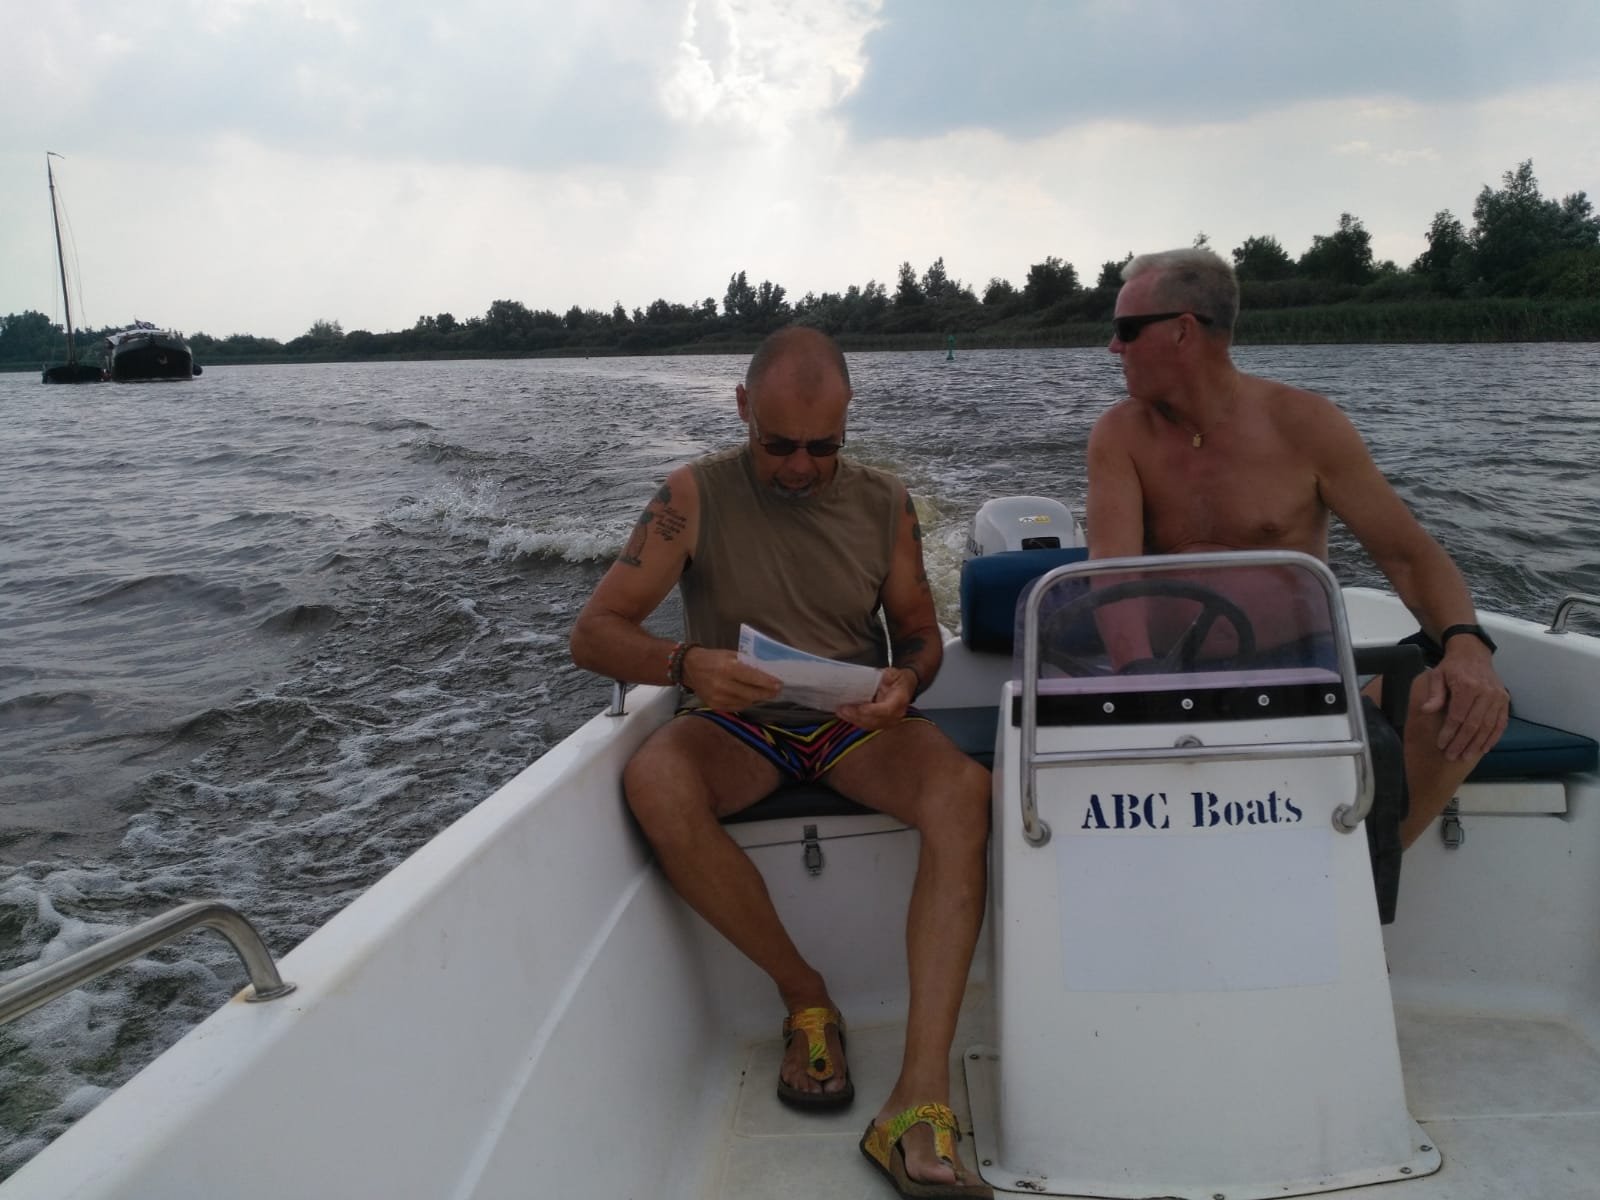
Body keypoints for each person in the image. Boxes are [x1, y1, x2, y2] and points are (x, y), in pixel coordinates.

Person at [569, 325, 992, 1199]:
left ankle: (918, 1098)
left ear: (848, 419)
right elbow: (594, 633)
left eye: (823, 447)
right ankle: (806, 998)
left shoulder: (886, 503)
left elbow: (919, 631)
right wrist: (687, 664)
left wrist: (907, 682)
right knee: (656, 781)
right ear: (742, 410)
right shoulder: (690, 496)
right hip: (737, 722)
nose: (801, 466)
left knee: (964, 791)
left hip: (853, 719)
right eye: (778, 445)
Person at [1085, 247, 1510, 849]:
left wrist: (1467, 645)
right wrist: (1141, 688)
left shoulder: (1305, 424)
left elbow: (1407, 557)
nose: (1113, 347)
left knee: (1452, 705)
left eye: (1127, 330)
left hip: (1302, 677)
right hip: (1168, 675)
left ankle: (1358, 878)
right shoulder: (1120, 435)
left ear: (1183, 330)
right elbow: (1114, 578)